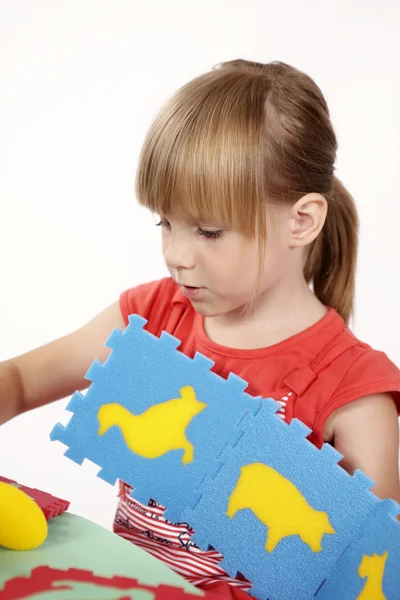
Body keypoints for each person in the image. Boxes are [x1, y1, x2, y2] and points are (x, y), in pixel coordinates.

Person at [1, 59, 399, 599]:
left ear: (301, 221)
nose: (176, 255)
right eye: (165, 222)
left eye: (209, 231)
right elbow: (21, 382)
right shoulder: (150, 317)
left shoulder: (353, 390)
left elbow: (371, 577)